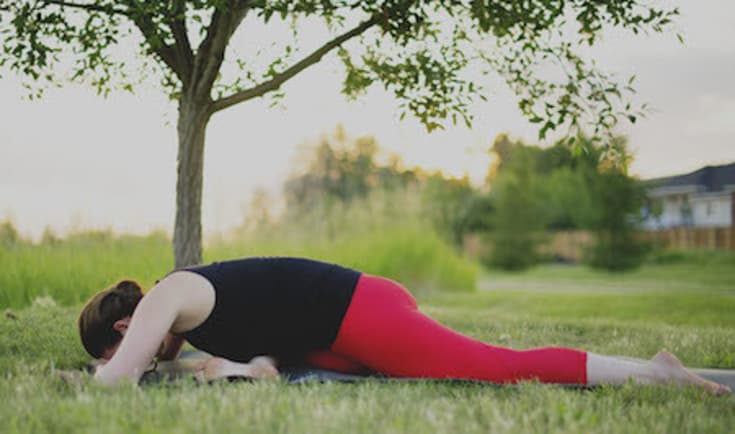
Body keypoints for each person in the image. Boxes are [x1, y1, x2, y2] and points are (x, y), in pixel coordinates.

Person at [79, 257, 731, 395]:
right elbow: (264, 366)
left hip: (359, 311)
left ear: (127, 327)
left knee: (496, 368)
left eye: (120, 347)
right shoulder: (191, 325)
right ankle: (651, 370)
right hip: (336, 335)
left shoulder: (169, 294)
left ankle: (654, 372)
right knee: (328, 378)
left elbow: (121, 380)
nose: (137, 352)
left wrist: (98, 375)